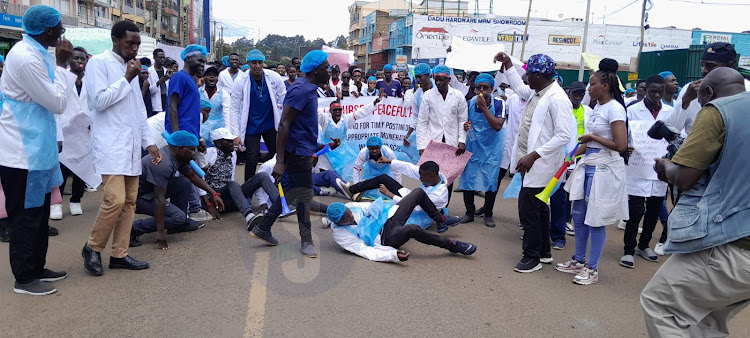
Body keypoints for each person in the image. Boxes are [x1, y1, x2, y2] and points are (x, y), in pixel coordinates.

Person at [642, 67, 750, 337]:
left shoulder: (717, 111)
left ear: (708, 92)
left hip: (732, 244)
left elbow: (686, 177)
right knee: (707, 319)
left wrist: (667, 166)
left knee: (659, 304)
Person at [0, 5, 70, 295]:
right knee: (25, 217)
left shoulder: (37, 51)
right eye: (59, 27)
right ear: (47, 31)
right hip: (21, 154)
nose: (63, 32)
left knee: (40, 215)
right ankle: (24, 279)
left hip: (36, 149)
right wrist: (63, 66)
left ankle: (37, 266)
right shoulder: (26, 57)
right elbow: (57, 103)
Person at [83, 20, 162, 277]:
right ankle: (92, 247)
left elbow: (139, 110)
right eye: (130, 43)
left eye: (138, 44)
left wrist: (149, 142)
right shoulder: (99, 63)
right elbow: (99, 101)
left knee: (129, 202)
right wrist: (127, 78)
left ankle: (119, 254)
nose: (135, 48)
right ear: (115, 40)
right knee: (114, 200)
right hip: (110, 145)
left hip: (130, 148)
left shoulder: (131, 67)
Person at [495, 52, 575, 273]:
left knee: (528, 209)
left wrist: (534, 155)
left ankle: (531, 257)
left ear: (540, 75)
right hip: (531, 160)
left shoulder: (557, 98)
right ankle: (543, 252)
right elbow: (519, 88)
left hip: (541, 163)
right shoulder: (538, 91)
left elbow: (563, 136)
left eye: (529, 73)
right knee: (539, 208)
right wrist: (508, 64)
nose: (526, 77)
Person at [249, 50, 330, 258]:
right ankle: (306, 241)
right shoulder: (301, 90)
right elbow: (283, 124)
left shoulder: (309, 89)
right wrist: (280, 160)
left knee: (293, 192)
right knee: (304, 196)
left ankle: (264, 228)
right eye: (326, 68)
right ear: (315, 70)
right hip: (297, 153)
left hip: (302, 150)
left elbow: (302, 125)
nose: (329, 71)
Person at [556, 59, 628, 285]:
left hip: (603, 169)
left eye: (593, 84)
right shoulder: (597, 107)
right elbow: (590, 143)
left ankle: (592, 268)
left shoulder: (615, 108)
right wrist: (574, 153)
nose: (589, 88)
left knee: (595, 219)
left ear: (605, 86)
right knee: (578, 215)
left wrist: (591, 138)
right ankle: (578, 259)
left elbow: (620, 145)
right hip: (588, 165)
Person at [326, 189, 476, 263]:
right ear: (339, 222)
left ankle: (440, 219)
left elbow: (367, 207)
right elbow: (365, 251)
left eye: (349, 212)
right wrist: (392, 256)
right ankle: (451, 245)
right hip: (386, 237)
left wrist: (374, 209)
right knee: (413, 229)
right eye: (347, 217)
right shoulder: (341, 235)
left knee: (417, 193)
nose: (351, 215)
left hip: (387, 218)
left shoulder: (349, 207)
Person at [130, 131, 224, 249]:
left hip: (151, 191)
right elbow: (160, 199)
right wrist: (160, 231)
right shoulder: (163, 164)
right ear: (181, 149)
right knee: (178, 217)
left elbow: (192, 176)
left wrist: (213, 193)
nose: (194, 154)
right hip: (136, 198)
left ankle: (177, 226)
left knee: (184, 183)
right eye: (192, 150)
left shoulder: (177, 156)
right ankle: (133, 229)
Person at [620, 74, 673, 269]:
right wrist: (626, 148)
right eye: (653, 91)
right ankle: (628, 249)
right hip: (637, 168)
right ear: (646, 90)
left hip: (659, 169)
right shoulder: (632, 110)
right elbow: (624, 136)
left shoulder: (669, 112)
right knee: (635, 211)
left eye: (660, 92)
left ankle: (644, 245)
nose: (657, 95)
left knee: (654, 211)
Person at [342, 157, 461, 232]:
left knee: (385, 218)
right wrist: (389, 161)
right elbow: (409, 168)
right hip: (410, 196)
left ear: (431, 177)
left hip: (419, 214)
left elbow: (414, 207)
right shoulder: (431, 176)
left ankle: (441, 220)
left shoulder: (439, 195)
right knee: (384, 178)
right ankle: (352, 189)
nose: (419, 178)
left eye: (422, 177)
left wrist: (389, 194)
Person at [664, 43, 750, 135]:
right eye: (702, 65)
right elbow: (671, 128)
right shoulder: (690, 89)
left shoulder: (747, 89)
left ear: (729, 66)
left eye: (711, 66)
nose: (704, 70)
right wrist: (685, 101)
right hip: (696, 147)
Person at [51, 46, 96, 221]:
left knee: (81, 167)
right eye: (75, 58)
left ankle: (76, 200)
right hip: (64, 130)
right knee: (61, 169)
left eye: (82, 59)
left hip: (84, 131)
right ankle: (56, 203)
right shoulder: (62, 78)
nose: (79, 61)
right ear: (69, 60)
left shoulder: (89, 83)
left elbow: (93, 105)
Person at [229, 49, 286, 180]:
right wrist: (236, 134)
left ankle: (276, 184)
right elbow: (234, 108)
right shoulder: (240, 80)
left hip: (270, 123)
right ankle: (248, 190)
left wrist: (286, 123)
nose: (257, 66)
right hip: (251, 126)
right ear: (248, 63)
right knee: (252, 158)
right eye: (253, 63)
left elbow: (284, 99)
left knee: (277, 154)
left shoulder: (273, 77)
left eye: (260, 62)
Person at [458, 73, 506, 228]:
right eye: (478, 87)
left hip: (492, 147)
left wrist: (484, 108)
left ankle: (488, 213)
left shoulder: (499, 104)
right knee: (468, 178)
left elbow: (498, 126)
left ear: (492, 89)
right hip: (473, 145)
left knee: (491, 179)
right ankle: (469, 212)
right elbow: (464, 122)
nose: (481, 91)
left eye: (486, 88)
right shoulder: (470, 103)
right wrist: (465, 126)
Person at [552, 81, 590, 241]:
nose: (578, 96)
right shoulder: (563, 108)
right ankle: (559, 227)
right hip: (563, 156)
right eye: (576, 93)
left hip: (580, 156)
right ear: (569, 93)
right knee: (560, 194)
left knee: (572, 192)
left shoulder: (587, 111)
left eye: (582, 93)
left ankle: (565, 223)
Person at [165, 44, 206, 141]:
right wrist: (177, 135)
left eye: (204, 62)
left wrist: (199, 138)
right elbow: (172, 106)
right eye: (200, 61)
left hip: (191, 135)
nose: (202, 65)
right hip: (182, 136)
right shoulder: (179, 77)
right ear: (188, 59)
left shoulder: (191, 80)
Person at [199, 66, 231, 146]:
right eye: (209, 75)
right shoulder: (198, 92)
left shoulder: (224, 94)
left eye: (214, 75)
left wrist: (227, 132)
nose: (212, 77)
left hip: (219, 127)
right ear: (204, 78)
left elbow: (227, 114)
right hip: (202, 128)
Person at [403, 63, 433, 147]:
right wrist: (408, 134)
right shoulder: (417, 94)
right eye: (416, 77)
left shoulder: (437, 91)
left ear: (428, 75)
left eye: (420, 77)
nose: (418, 80)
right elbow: (416, 116)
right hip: (423, 131)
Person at [148, 48, 170, 112]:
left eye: (163, 57)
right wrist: (159, 82)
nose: (162, 59)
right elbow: (149, 91)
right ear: (154, 58)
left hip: (166, 102)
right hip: (155, 105)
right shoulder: (149, 71)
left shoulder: (167, 71)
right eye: (160, 57)